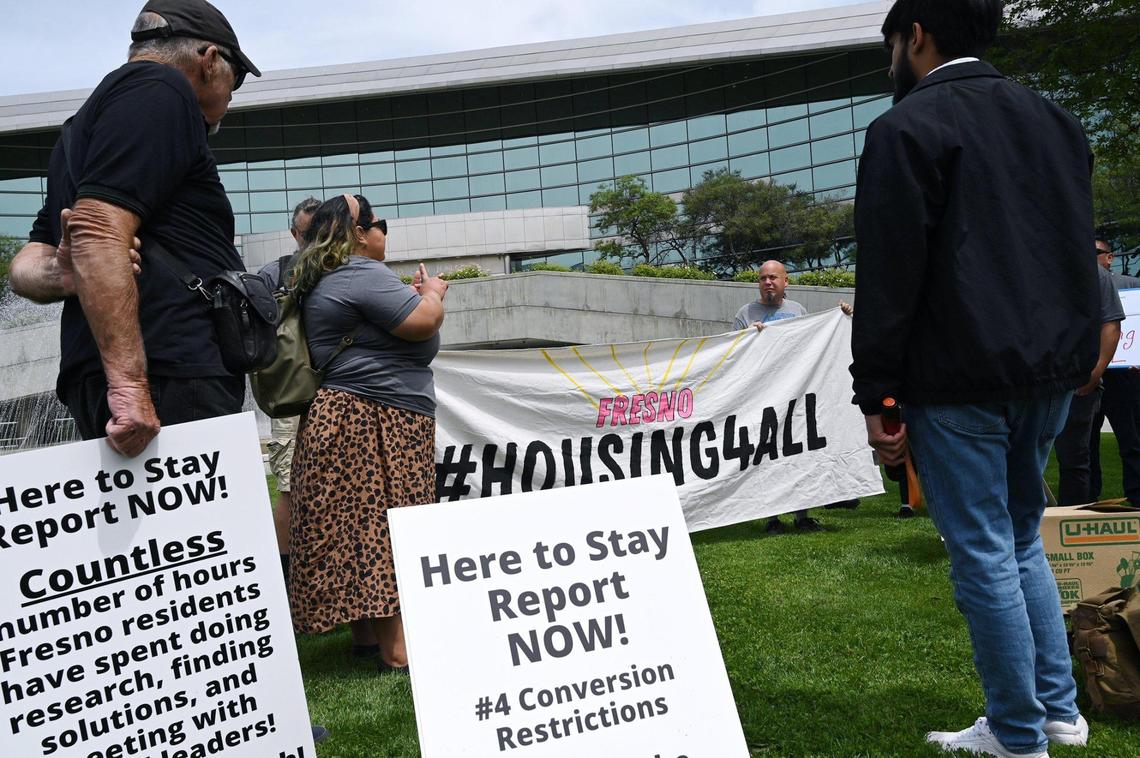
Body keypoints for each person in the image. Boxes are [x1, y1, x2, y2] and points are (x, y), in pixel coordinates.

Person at [7, 2, 331, 744]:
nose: (224, 106)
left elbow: (27, 263)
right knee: (202, 577)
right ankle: (244, 727)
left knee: (155, 580)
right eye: (231, 85)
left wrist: (72, 265)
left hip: (130, 370)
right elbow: (90, 230)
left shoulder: (86, 121)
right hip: (165, 373)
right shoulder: (161, 96)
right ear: (210, 60)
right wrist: (131, 385)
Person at [851, 1, 1095, 756]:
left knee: (989, 549)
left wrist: (878, 394)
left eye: (892, 43)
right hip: (1049, 370)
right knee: (1020, 537)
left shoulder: (904, 129)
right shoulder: (1056, 119)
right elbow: (1075, 246)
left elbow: (890, 274)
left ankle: (1021, 735)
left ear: (915, 36)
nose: (891, 57)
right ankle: (1057, 712)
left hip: (958, 377)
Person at [287, 194, 448, 673]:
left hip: (345, 416)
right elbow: (423, 323)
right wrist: (433, 293)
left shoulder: (327, 276)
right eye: (379, 223)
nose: (383, 231)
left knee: (354, 529)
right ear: (359, 233)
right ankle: (396, 652)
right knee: (389, 528)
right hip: (378, 416)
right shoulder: (362, 272)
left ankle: (363, 638)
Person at [257, 197, 320, 584]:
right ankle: (285, 581)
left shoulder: (337, 268)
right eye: (307, 232)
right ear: (294, 233)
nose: (313, 239)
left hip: (332, 390)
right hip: (291, 397)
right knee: (290, 488)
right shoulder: (273, 274)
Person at [733, 260, 819, 533]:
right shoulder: (745, 313)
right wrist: (748, 338)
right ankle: (772, 518)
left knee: (798, 454)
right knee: (767, 456)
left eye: (773, 278)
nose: (768, 283)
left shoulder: (798, 311)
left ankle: (802, 515)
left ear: (786, 282)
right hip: (762, 398)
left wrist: (843, 316)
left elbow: (812, 345)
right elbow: (732, 355)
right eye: (762, 278)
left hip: (795, 395)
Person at [1053, 255, 1123, 505]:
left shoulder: (1096, 275)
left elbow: (1111, 326)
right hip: (1029, 382)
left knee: (1074, 461)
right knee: (1017, 460)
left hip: (1076, 384)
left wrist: (1094, 374)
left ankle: (1070, 527)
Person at [1090, 237, 1140, 503]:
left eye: (1095, 252)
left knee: (1131, 440)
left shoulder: (1132, 285)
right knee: (1085, 446)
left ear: (1109, 257)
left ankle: (1137, 498)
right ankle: (1086, 502)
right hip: (1088, 376)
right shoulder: (1078, 285)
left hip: (1124, 376)